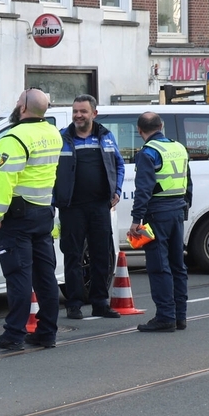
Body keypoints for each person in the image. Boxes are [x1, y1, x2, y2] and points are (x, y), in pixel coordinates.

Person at [0, 89, 63, 351]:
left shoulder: (13, 138)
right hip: (43, 213)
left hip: (18, 216)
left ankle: (14, 334)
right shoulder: (53, 134)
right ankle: (47, 332)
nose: (16, 105)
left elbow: (3, 181)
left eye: (18, 102)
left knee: (18, 276)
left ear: (23, 109)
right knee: (45, 276)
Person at [53, 95, 125, 320]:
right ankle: (74, 304)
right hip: (71, 207)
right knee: (72, 256)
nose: (78, 115)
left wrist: (117, 190)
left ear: (94, 113)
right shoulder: (62, 138)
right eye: (75, 111)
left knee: (101, 255)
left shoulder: (106, 137)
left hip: (99, 207)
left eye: (83, 111)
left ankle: (100, 303)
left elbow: (119, 165)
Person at [130, 111, 192, 332]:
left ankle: (166, 317)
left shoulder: (148, 153)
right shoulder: (178, 148)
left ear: (140, 130)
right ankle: (180, 316)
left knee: (159, 266)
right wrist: (184, 208)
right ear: (161, 126)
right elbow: (188, 182)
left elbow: (144, 190)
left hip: (156, 213)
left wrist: (136, 220)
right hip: (176, 211)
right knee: (178, 265)